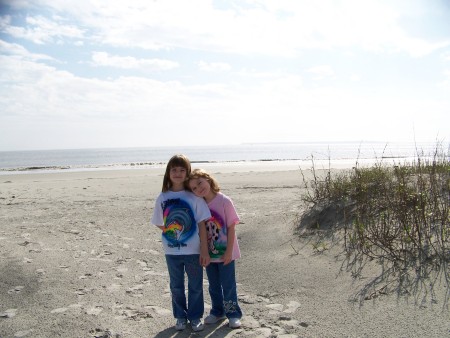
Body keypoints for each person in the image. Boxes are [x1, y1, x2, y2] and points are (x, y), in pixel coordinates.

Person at [151, 155, 211, 332]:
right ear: (168, 173)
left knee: (195, 285)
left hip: (193, 252)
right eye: (174, 170)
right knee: (176, 286)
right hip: (171, 252)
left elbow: (201, 224)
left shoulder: (194, 197)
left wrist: (204, 250)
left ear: (187, 173)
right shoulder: (162, 197)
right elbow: (159, 222)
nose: (177, 173)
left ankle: (195, 317)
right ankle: (179, 317)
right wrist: (173, 234)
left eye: (182, 170)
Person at [188, 168, 243, 329]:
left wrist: (229, 252)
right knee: (213, 285)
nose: (199, 188)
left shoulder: (224, 201)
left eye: (200, 183)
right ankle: (218, 311)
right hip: (209, 254)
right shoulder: (199, 204)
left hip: (226, 253)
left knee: (228, 285)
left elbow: (231, 227)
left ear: (208, 179)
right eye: (194, 188)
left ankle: (233, 314)